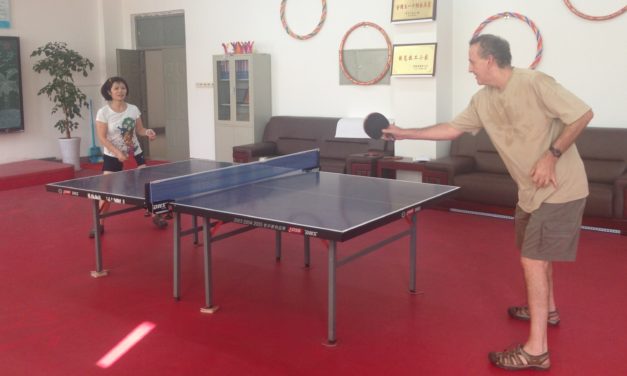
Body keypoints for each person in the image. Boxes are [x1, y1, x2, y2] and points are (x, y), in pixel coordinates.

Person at [382, 34, 593, 371]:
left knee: (533, 260)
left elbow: (582, 114)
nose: (469, 68)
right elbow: (452, 129)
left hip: (559, 188)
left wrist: (552, 155)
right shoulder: (482, 100)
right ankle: (548, 308)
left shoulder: (535, 83)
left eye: (472, 61)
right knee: (536, 256)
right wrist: (405, 133)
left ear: (490, 60)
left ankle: (536, 351)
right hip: (529, 192)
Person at [89, 76, 168, 238]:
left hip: (134, 152)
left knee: (149, 186)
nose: (120, 91)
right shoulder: (103, 112)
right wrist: (117, 152)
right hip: (113, 155)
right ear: (109, 92)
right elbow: (102, 138)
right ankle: (99, 223)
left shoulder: (133, 109)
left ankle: (156, 215)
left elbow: (139, 130)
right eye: (116, 88)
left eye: (123, 88)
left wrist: (147, 132)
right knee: (107, 190)